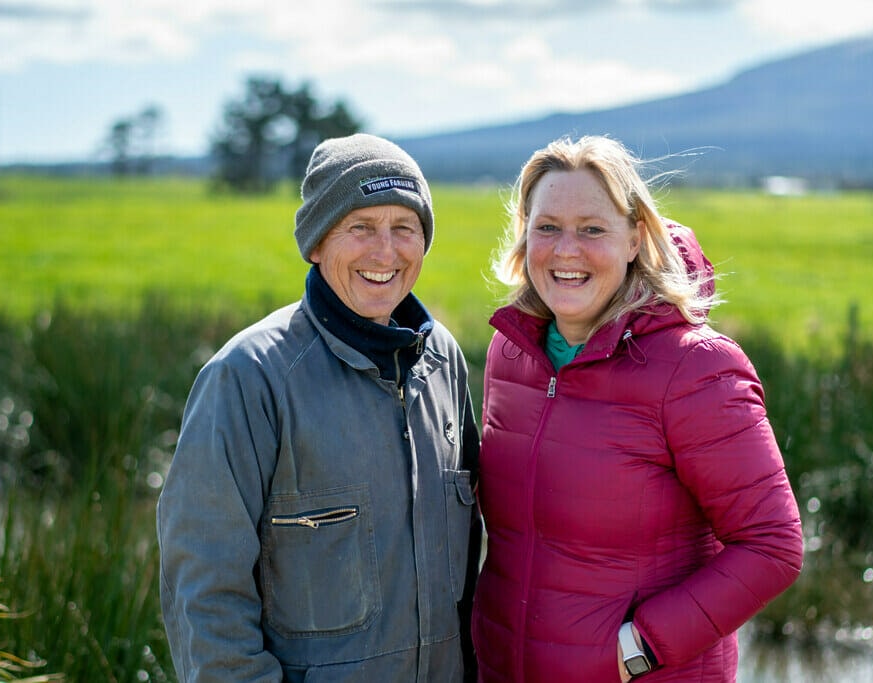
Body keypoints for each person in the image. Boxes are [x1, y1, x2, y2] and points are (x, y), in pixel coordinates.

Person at [470, 135, 803, 682]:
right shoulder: (512, 352)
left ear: (634, 239)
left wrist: (638, 649)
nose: (566, 250)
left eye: (592, 229)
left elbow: (773, 545)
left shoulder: (694, 368)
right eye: (547, 226)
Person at [157, 133, 481, 682]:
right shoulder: (247, 377)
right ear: (316, 243)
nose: (385, 252)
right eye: (360, 227)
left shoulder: (443, 360)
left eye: (404, 228)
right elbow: (205, 596)